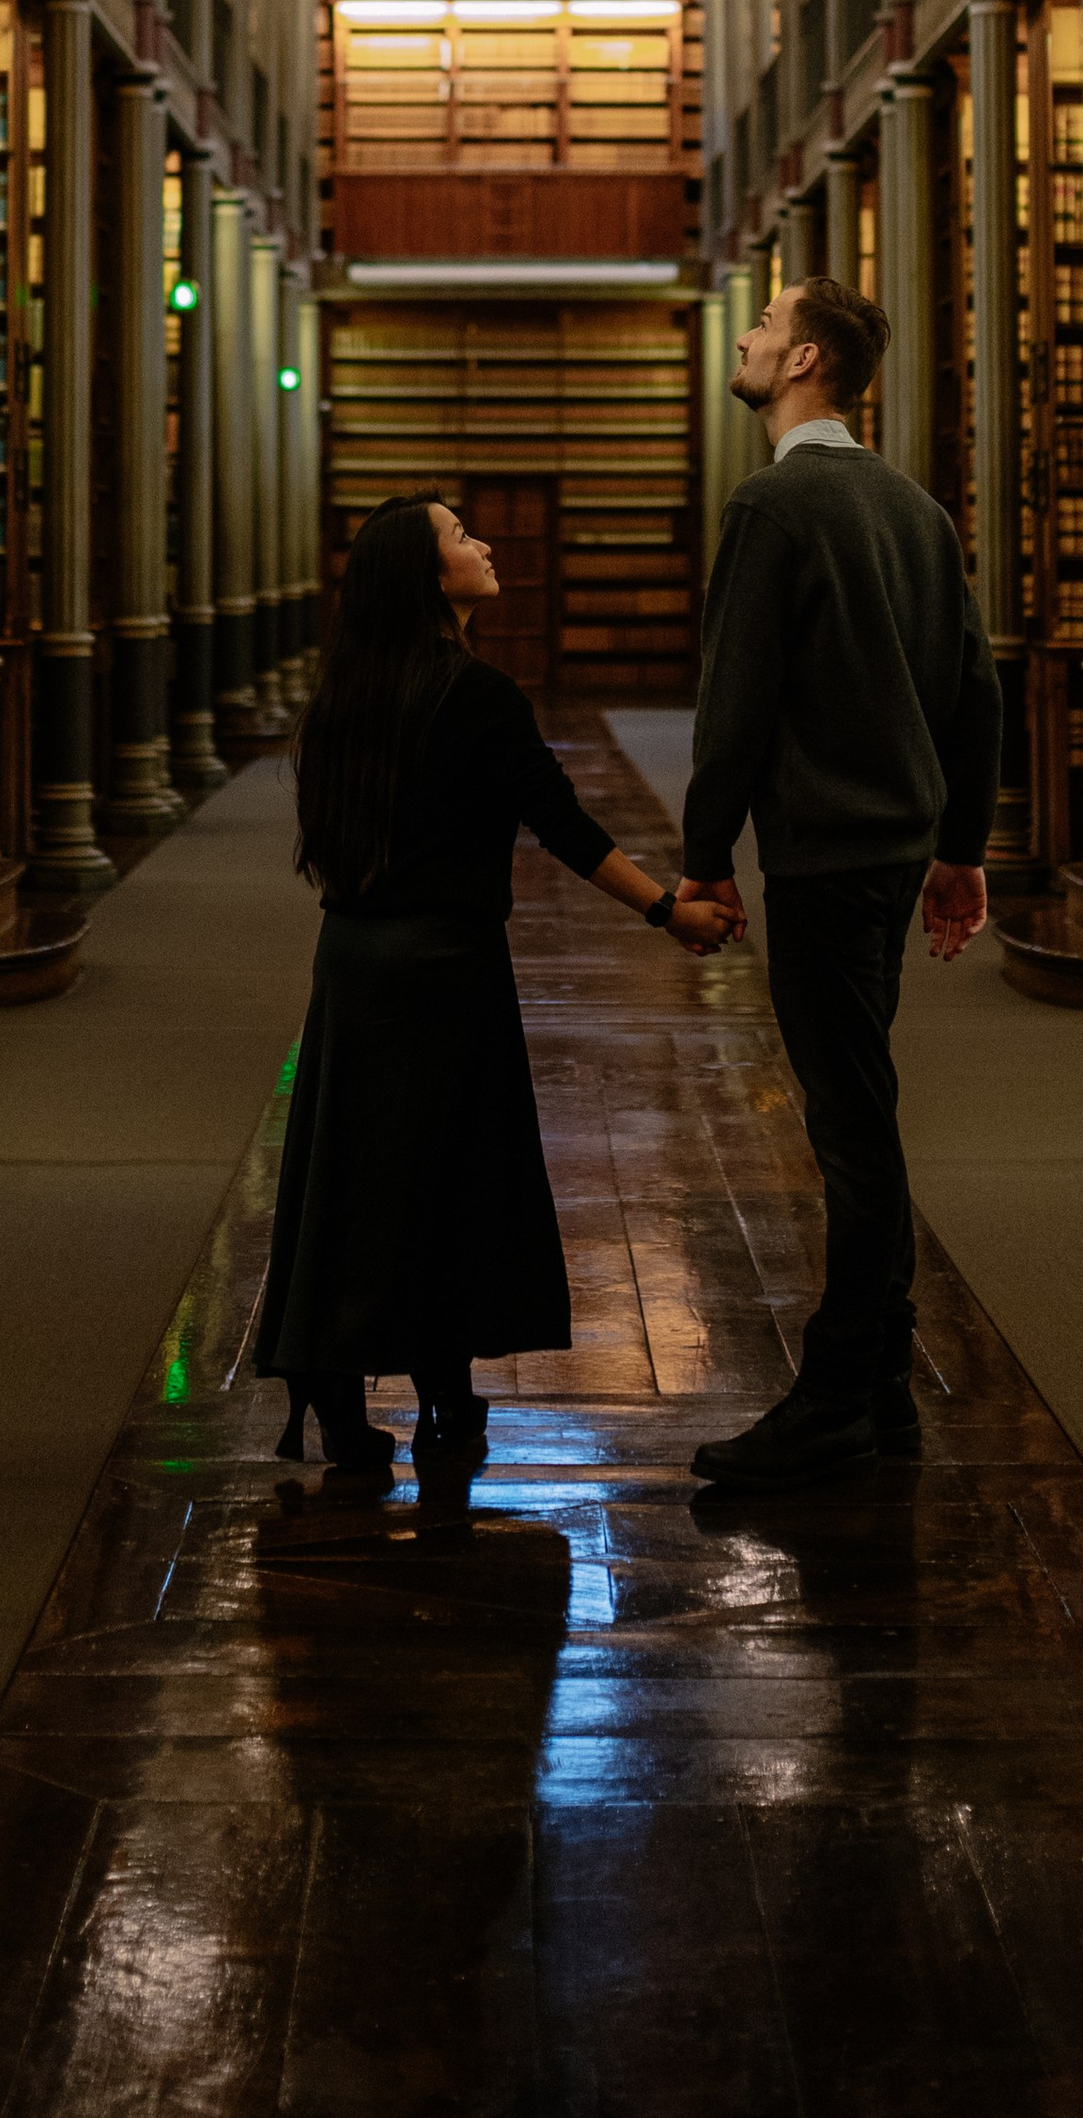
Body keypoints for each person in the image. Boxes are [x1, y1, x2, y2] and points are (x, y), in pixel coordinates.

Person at [260, 489, 737, 1475]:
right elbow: (563, 825)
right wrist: (667, 909)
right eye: (459, 533)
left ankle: (336, 1402)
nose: (481, 541)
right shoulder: (476, 693)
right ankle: (447, 1397)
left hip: (349, 962)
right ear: (433, 575)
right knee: (447, 1177)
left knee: (347, 1176)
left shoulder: (343, 692)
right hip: (445, 966)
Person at [676, 272, 1000, 1492]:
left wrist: (707, 853)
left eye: (762, 326)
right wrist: (960, 847)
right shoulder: (914, 509)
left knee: (851, 1126)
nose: (748, 339)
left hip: (820, 853)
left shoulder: (776, 504)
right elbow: (975, 694)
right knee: (860, 1106)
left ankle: (835, 1394)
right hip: (895, 849)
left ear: (804, 358)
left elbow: (736, 701)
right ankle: (880, 1386)